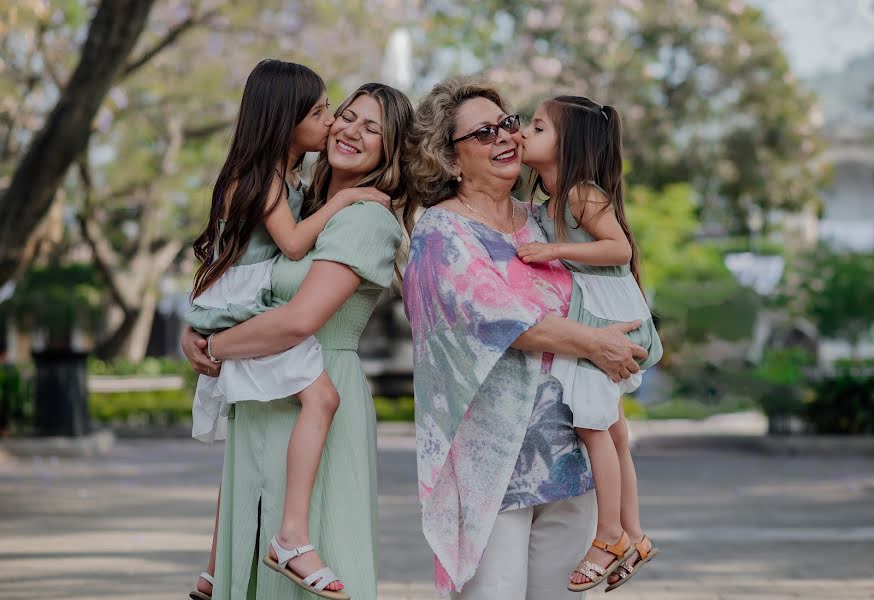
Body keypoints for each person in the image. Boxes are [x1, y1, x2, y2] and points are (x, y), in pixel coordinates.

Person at [401, 77, 648, 600]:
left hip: (572, 459)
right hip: (494, 468)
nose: (507, 137)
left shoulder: (543, 221)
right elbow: (499, 317)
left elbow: (602, 283)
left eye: (509, 123)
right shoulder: (441, 233)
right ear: (450, 157)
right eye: (484, 133)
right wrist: (596, 342)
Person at [181, 81, 413, 600]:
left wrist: (217, 345)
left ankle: (285, 543)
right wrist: (198, 327)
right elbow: (240, 262)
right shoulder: (297, 199)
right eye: (345, 115)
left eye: (370, 127)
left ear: (391, 149)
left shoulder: (366, 218)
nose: (347, 128)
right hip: (263, 396)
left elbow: (296, 321)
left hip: (315, 382)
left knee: (317, 555)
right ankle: (219, 569)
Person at [516, 95, 662, 592]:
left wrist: (555, 248)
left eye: (537, 127)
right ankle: (635, 534)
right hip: (597, 313)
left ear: (568, 144)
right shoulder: (549, 199)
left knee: (593, 428)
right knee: (616, 433)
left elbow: (619, 247)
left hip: (607, 317)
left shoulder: (581, 192)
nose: (523, 133)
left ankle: (608, 536)